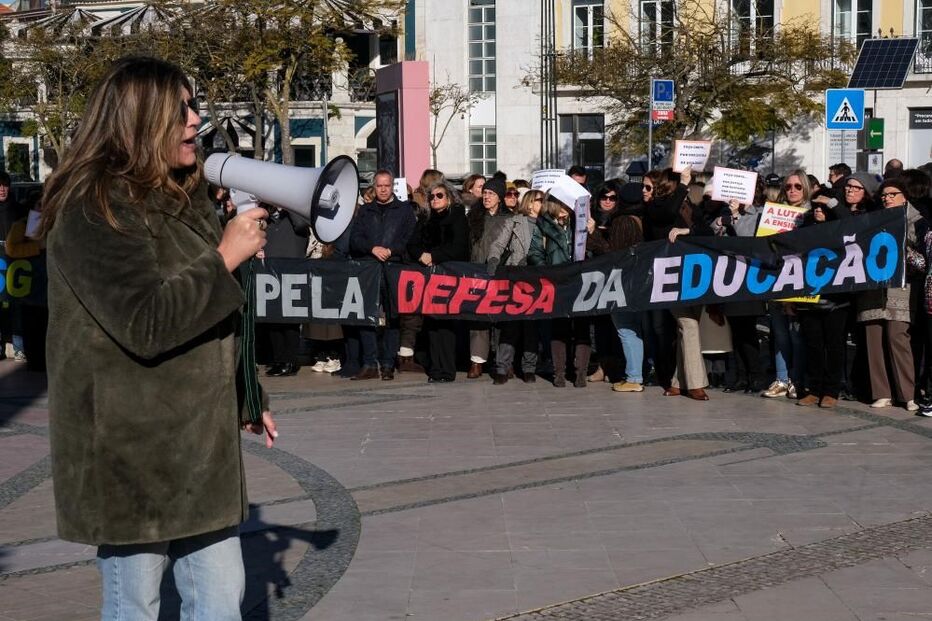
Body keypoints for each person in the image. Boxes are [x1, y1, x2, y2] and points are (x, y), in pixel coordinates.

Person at [41, 56, 277, 620]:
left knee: (222, 603)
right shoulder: (91, 205)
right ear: (140, 119)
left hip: (198, 448)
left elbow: (207, 318)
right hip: (130, 453)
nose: (197, 120)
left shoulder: (181, 192)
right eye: (183, 110)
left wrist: (248, 391)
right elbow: (145, 323)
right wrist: (224, 258)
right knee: (135, 607)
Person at [856, 178, 922, 412]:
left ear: (905, 196)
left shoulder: (916, 219)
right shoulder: (871, 218)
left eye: (892, 194)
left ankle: (908, 394)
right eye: (884, 195)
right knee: (873, 339)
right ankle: (882, 392)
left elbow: (920, 253)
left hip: (899, 290)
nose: (887, 198)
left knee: (898, 338)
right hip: (873, 290)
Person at [349, 169, 416, 380]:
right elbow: (355, 240)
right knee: (366, 315)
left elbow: (410, 238)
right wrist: (372, 248)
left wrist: (392, 250)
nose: (383, 189)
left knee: (393, 317)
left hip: (394, 267)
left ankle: (388, 363)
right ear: (374, 187)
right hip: (369, 268)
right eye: (379, 185)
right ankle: (369, 363)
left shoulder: (404, 210)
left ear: (393, 186)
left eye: (387, 185)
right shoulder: (366, 211)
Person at [529, 195, 596, 387]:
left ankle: (580, 373)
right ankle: (559, 373)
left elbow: (592, 252)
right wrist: (548, 272)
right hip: (557, 283)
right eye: (561, 204)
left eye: (569, 204)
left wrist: (591, 234)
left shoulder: (579, 224)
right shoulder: (542, 225)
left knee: (582, 328)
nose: (566, 208)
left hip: (580, 282)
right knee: (559, 329)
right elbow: (535, 253)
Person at [406, 180, 469, 382]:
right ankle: (435, 369)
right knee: (432, 324)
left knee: (447, 325)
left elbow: (459, 247)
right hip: (429, 277)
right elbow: (412, 244)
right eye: (432, 196)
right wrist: (421, 255)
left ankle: (448, 370)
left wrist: (433, 255)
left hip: (450, 277)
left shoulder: (458, 217)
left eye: (439, 195)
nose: (435, 199)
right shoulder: (426, 219)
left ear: (449, 197)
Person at [466, 176, 511, 378]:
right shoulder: (474, 217)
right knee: (478, 317)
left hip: (500, 273)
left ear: (500, 197)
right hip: (477, 271)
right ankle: (477, 361)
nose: (486, 197)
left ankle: (503, 362)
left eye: (491, 193)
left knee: (501, 319)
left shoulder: (509, 219)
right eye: (484, 193)